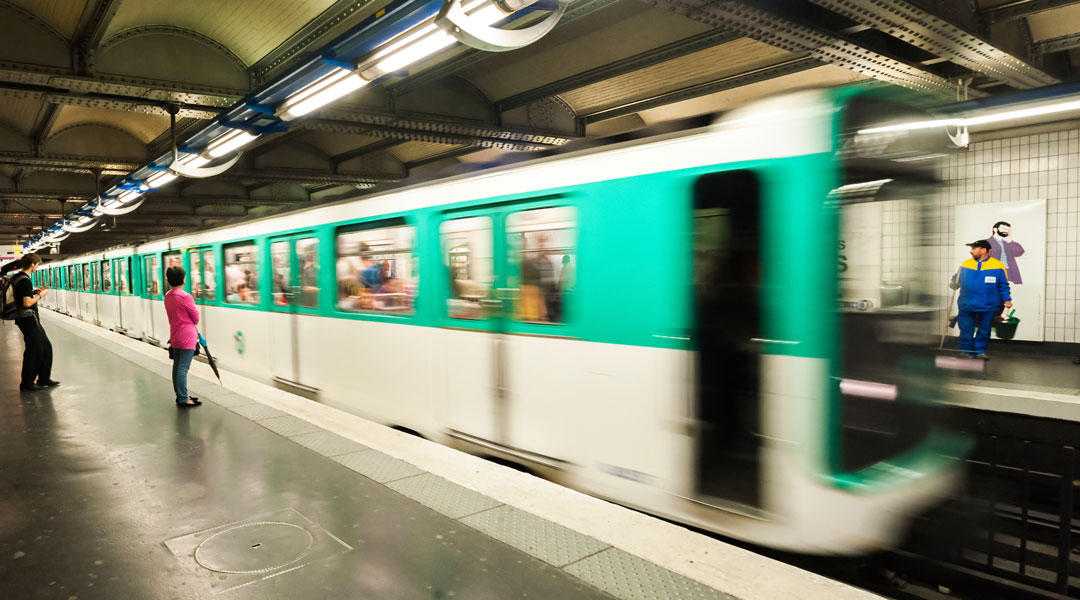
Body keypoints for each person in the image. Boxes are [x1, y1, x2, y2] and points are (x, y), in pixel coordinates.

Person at [950, 240, 1012, 360]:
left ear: (983, 250)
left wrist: (1007, 299)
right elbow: (956, 281)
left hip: (988, 304)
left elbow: (1003, 285)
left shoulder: (998, 265)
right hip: (967, 302)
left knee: (984, 329)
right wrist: (953, 283)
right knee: (966, 328)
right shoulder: (965, 264)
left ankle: (980, 351)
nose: (971, 251)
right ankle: (965, 350)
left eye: (974, 248)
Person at [11, 253, 59, 392]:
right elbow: (26, 303)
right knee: (33, 351)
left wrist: (33, 291)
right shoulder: (25, 280)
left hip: (25, 319)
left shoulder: (17, 277)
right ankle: (27, 383)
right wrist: (40, 295)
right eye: (37, 265)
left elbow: (21, 296)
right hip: (28, 319)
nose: (37, 267)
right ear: (32, 264)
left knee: (45, 347)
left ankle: (44, 378)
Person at [164, 266, 201, 407]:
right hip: (187, 336)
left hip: (175, 334)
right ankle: (183, 398)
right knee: (183, 368)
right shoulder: (186, 297)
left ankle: (181, 395)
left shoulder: (168, 296)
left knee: (177, 366)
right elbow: (196, 318)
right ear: (183, 279)